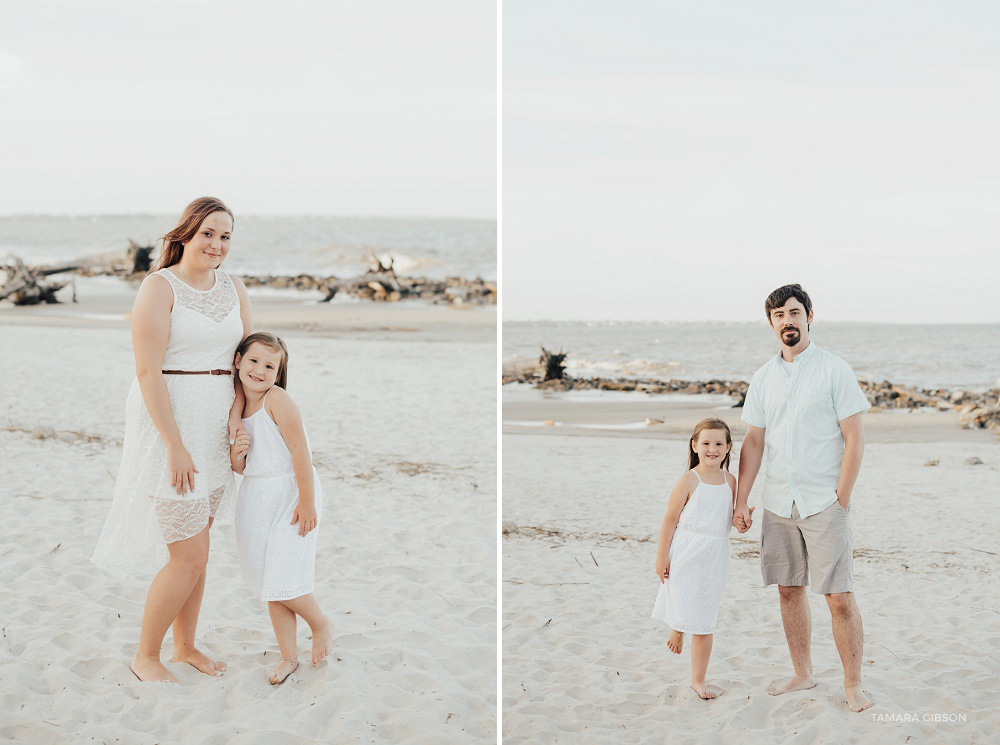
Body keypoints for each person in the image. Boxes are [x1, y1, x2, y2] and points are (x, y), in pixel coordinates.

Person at [92, 197, 254, 683]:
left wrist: (239, 418)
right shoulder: (159, 287)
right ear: (185, 234)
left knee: (200, 549)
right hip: (171, 424)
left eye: (225, 236)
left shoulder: (235, 287)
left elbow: (246, 363)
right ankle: (146, 655)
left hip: (218, 424)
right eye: (208, 233)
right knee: (188, 555)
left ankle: (185, 647)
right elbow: (147, 371)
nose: (217, 244)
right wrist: (173, 445)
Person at [733, 283, 874, 713]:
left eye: (794, 313)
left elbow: (854, 438)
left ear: (810, 316)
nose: (787, 321)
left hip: (823, 502)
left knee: (839, 597)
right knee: (789, 591)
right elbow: (753, 442)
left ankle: (853, 685)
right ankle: (803, 673)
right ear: (771, 323)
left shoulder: (835, 370)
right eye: (778, 316)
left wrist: (842, 499)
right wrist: (741, 499)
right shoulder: (763, 377)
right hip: (778, 502)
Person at [230, 332, 332, 685]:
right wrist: (237, 452)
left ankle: (319, 623)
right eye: (254, 361)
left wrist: (307, 501)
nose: (260, 370)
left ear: (279, 373)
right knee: (269, 582)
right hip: (256, 496)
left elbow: (300, 451)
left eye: (270, 366)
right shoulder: (237, 406)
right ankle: (289, 656)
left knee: (285, 574)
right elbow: (240, 468)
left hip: (291, 491)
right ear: (238, 361)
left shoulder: (278, 399)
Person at [651, 417, 736, 700]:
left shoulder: (730, 481)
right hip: (687, 549)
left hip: (715, 554)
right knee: (683, 596)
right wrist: (662, 555)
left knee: (706, 615)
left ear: (728, 448)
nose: (712, 449)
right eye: (706, 443)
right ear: (695, 445)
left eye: (719, 443)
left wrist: (742, 521)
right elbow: (670, 519)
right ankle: (677, 628)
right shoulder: (689, 479)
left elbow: (728, 517)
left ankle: (698, 680)